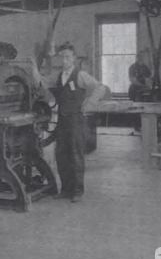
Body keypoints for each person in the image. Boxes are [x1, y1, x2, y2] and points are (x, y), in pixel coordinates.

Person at [32, 43, 106, 203]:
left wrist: (90, 102)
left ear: (74, 58)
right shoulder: (59, 76)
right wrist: (34, 70)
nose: (64, 60)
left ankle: (78, 191)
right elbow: (42, 83)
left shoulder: (80, 75)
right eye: (62, 57)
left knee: (76, 156)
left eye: (67, 57)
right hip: (62, 121)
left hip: (77, 121)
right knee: (61, 155)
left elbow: (100, 87)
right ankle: (65, 190)